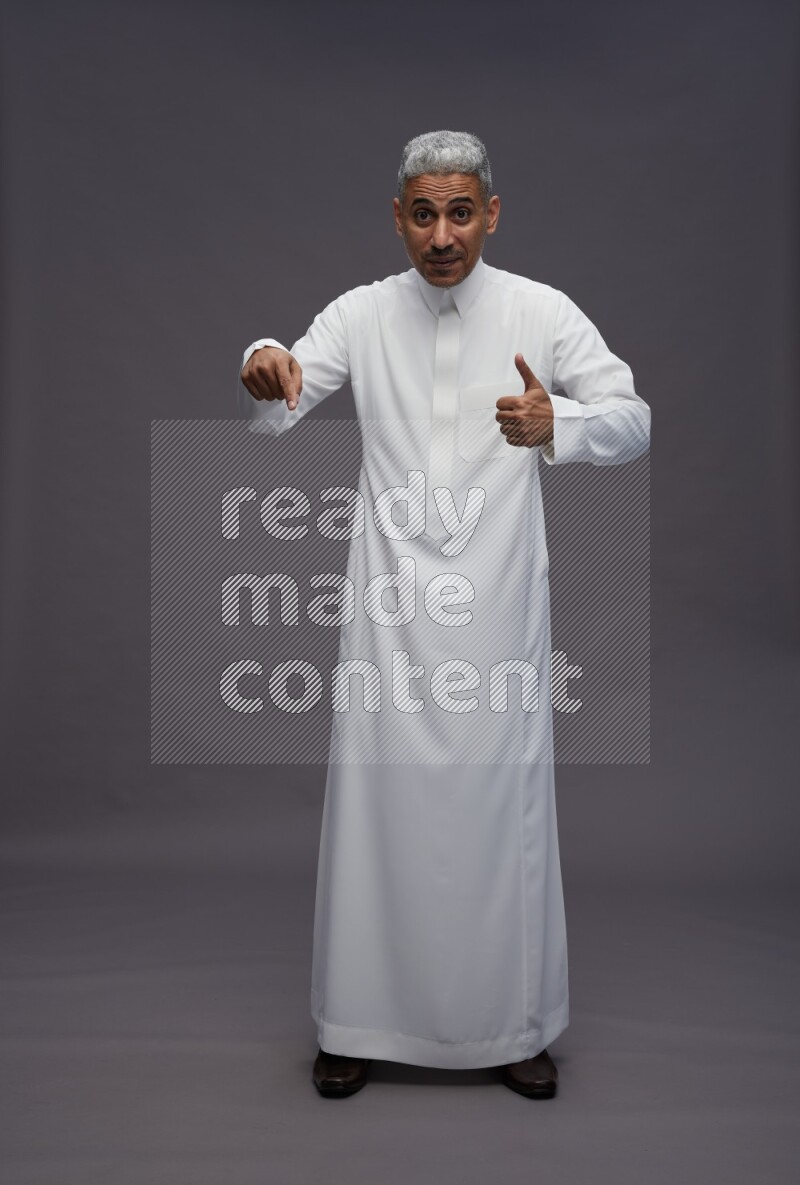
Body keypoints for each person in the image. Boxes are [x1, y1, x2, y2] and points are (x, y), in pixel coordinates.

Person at [239, 130, 650, 1099]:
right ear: (397, 218)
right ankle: (355, 1020)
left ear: (490, 213)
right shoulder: (362, 313)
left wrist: (565, 426)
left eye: (458, 211)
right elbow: (283, 387)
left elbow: (632, 417)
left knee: (497, 817)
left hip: (498, 612)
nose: (440, 234)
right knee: (375, 816)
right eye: (421, 213)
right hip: (387, 613)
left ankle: (512, 1028)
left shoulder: (538, 311)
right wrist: (260, 360)